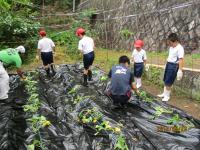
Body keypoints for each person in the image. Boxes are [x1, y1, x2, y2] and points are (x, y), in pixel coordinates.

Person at [157, 33, 184, 101]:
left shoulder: (180, 48)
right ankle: (164, 93)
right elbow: (169, 56)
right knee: (166, 79)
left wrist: (180, 70)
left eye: (171, 42)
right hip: (169, 64)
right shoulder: (171, 47)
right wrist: (166, 64)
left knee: (169, 81)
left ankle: (167, 96)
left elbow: (181, 60)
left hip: (174, 66)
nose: (170, 44)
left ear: (176, 41)